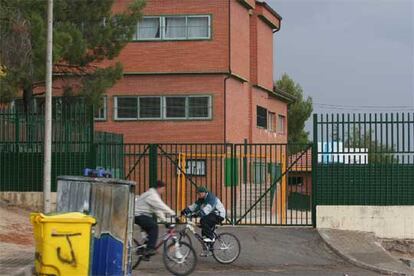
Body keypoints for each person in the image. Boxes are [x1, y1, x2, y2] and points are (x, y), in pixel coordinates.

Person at [135, 180, 176, 256]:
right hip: (138, 215)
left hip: (142, 215)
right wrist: (173, 213)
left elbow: (157, 210)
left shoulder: (153, 195)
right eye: (163, 189)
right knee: (154, 227)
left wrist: (165, 221)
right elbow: (161, 206)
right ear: (159, 188)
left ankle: (144, 251)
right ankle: (150, 249)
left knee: (150, 233)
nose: (163, 191)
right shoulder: (152, 195)